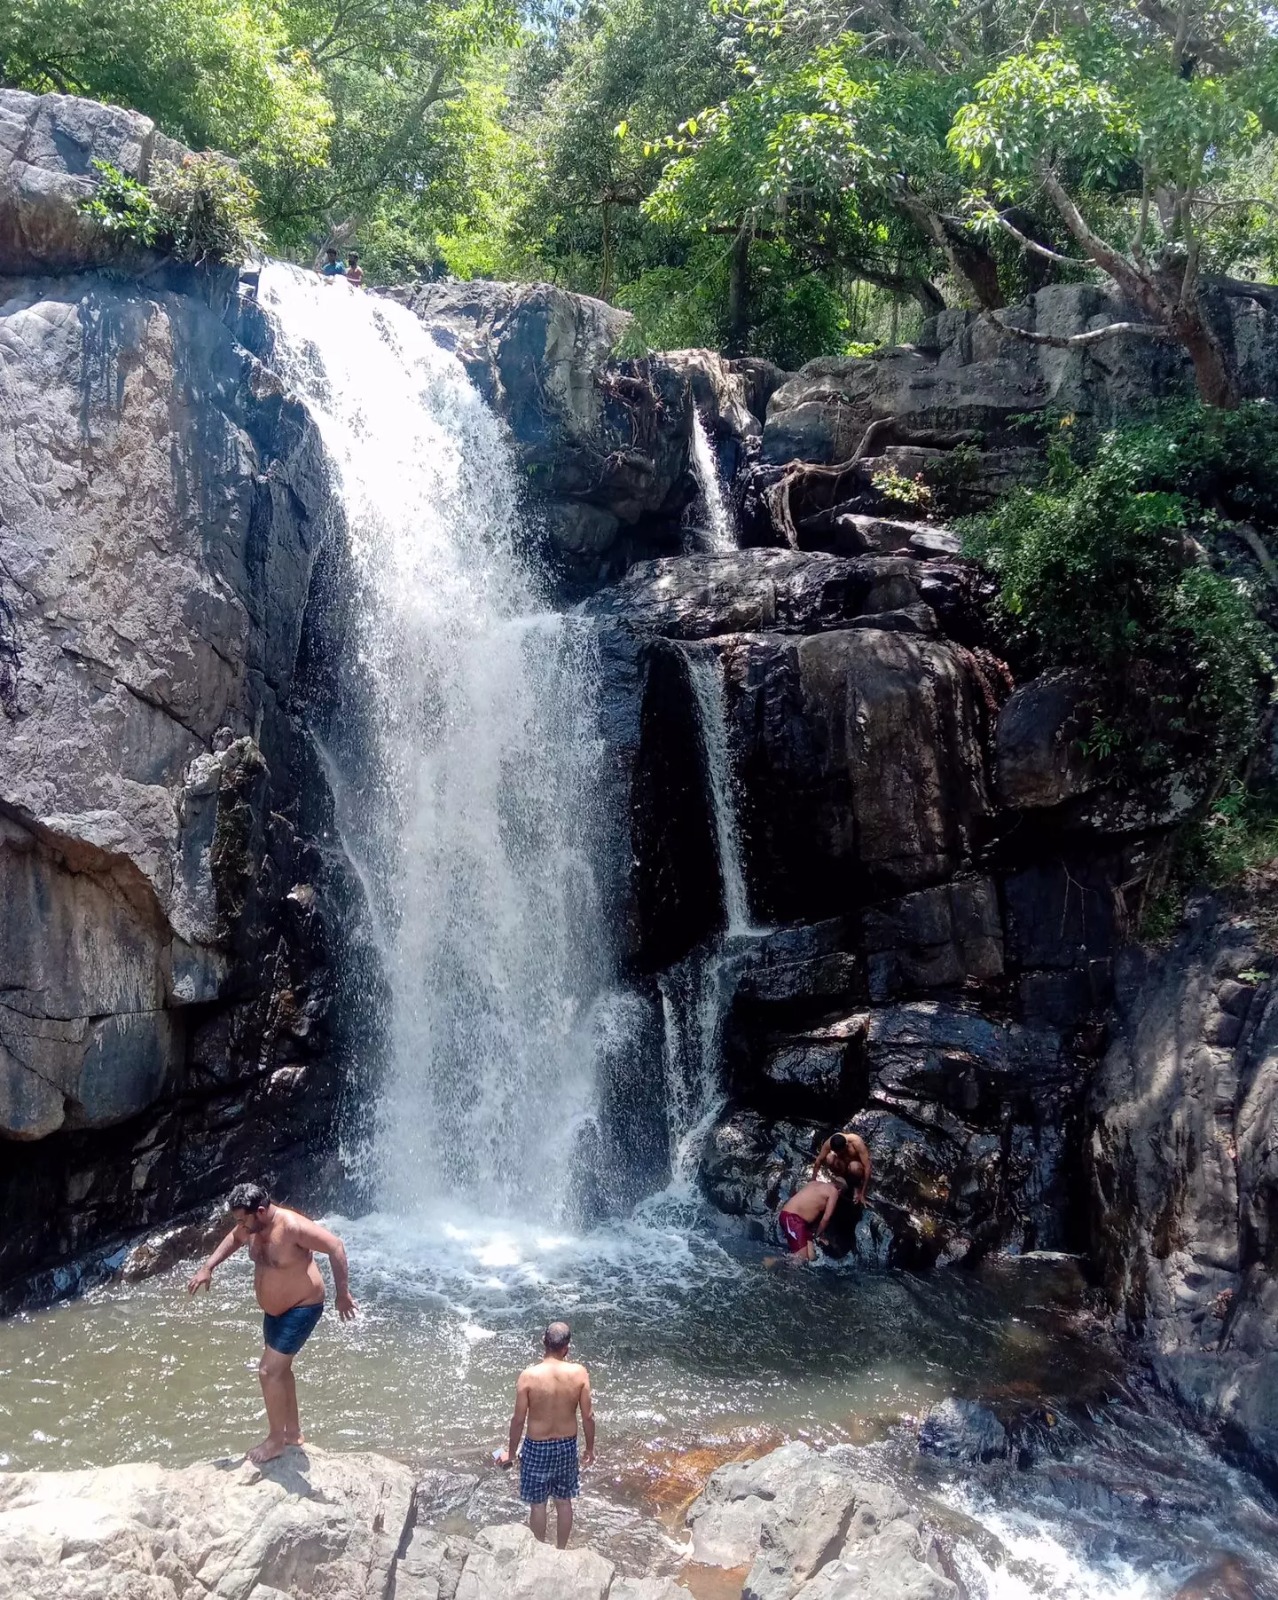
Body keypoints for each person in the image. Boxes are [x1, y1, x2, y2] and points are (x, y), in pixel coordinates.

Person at [186, 1181, 357, 1464]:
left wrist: (343, 1293)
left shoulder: (292, 1227)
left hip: (302, 1307)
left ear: (262, 1211)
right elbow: (233, 1239)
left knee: (268, 1371)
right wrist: (208, 1267)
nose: (239, 1225)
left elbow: (335, 1246)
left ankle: (276, 1440)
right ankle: (292, 1433)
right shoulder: (249, 1226)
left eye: (243, 1219)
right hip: (274, 1313)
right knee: (281, 1370)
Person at [497, 1321, 595, 1548]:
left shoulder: (528, 1376)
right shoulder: (579, 1373)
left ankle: (539, 1550)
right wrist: (589, 1448)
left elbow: (518, 1420)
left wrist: (510, 1454)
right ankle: (560, 1549)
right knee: (563, 1501)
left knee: (538, 1504)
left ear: (544, 1342)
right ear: (567, 1348)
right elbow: (588, 1416)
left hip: (537, 1446)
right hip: (567, 1445)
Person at [777, 1175, 846, 1261]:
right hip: (793, 1219)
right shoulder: (834, 1191)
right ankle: (772, 1261)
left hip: (796, 1219)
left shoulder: (813, 1183)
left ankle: (784, 1260)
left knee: (811, 1256)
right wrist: (817, 1235)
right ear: (840, 1190)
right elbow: (827, 1217)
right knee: (801, 1259)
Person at [814, 1130, 872, 1204]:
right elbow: (819, 1160)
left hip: (855, 1167)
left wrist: (863, 1193)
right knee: (829, 1158)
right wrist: (813, 1180)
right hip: (843, 1166)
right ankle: (840, 1178)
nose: (838, 1153)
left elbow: (868, 1167)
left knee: (854, 1167)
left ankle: (856, 1185)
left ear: (846, 1145)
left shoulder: (856, 1143)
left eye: (840, 1152)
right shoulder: (829, 1142)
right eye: (837, 1152)